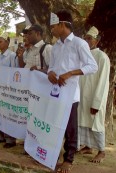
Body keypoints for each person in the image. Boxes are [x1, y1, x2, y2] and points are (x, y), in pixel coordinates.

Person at [48, 10, 98, 173]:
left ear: (62, 25)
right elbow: (51, 67)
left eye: (53, 26)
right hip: (55, 92)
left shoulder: (79, 43)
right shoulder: (55, 47)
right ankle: (53, 154)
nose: (52, 30)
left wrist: (70, 73)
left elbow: (92, 66)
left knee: (70, 128)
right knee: (55, 125)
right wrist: (50, 74)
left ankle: (68, 159)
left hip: (71, 94)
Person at [78, 26, 110, 163]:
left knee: (96, 124)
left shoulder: (102, 57)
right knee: (83, 122)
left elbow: (103, 82)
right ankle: (88, 146)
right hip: (82, 96)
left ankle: (102, 151)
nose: (86, 41)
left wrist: (96, 103)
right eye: (85, 38)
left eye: (89, 38)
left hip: (95, 98)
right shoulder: (84, 56)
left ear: (96, 41)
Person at [0, 33, 17, 148]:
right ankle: (1, 135)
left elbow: (15, 73)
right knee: (0, 112)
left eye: (1, 41)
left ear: (7, 43)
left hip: (8, 90)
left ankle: (10, 139)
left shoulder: (12, 56)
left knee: (8, 114)